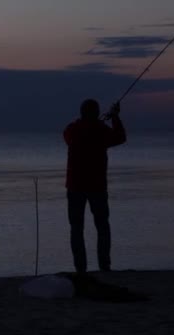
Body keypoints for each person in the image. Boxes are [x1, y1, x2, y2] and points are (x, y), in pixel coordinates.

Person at [64, 99, 126, 273]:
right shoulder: (101, 131)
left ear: (82, 112)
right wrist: (114, 117)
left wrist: (97, 121)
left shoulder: (73, 130)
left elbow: (68, 133)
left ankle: (80, 268)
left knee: (77, 228)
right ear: (95, 112)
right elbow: (120, 137)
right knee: (102, 227)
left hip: (75, 186)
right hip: (97, 186)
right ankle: (104, 265)